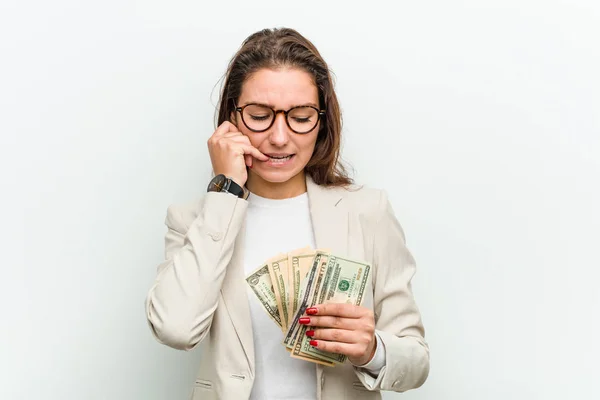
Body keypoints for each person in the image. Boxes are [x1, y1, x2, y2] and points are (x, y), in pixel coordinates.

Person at [145, 27, 430, 400]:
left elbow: (417, 361)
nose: (280, 137)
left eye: (300, 116)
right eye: (260, 115)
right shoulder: (194, 220)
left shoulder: (367, 211)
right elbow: (176, 329)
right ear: (232, 117)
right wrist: (226, 190)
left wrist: (373, 350)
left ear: (322, 120)